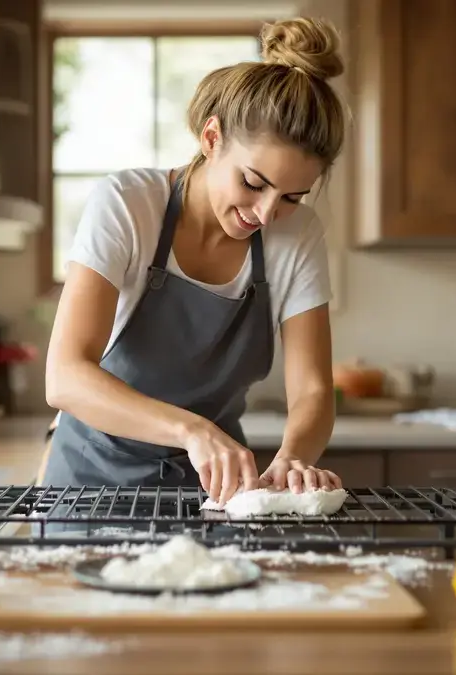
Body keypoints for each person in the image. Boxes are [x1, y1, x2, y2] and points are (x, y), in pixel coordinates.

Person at [43, 17, 347, 508]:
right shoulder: (127, 204)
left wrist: (294, 455)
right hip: (88, 485)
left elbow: (313, 392)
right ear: (211, 138)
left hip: (212, 492)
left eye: (292, 196)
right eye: (253, 182)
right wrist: (191, 429)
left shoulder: (299, 234)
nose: (267, 213)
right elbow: (64, 377)